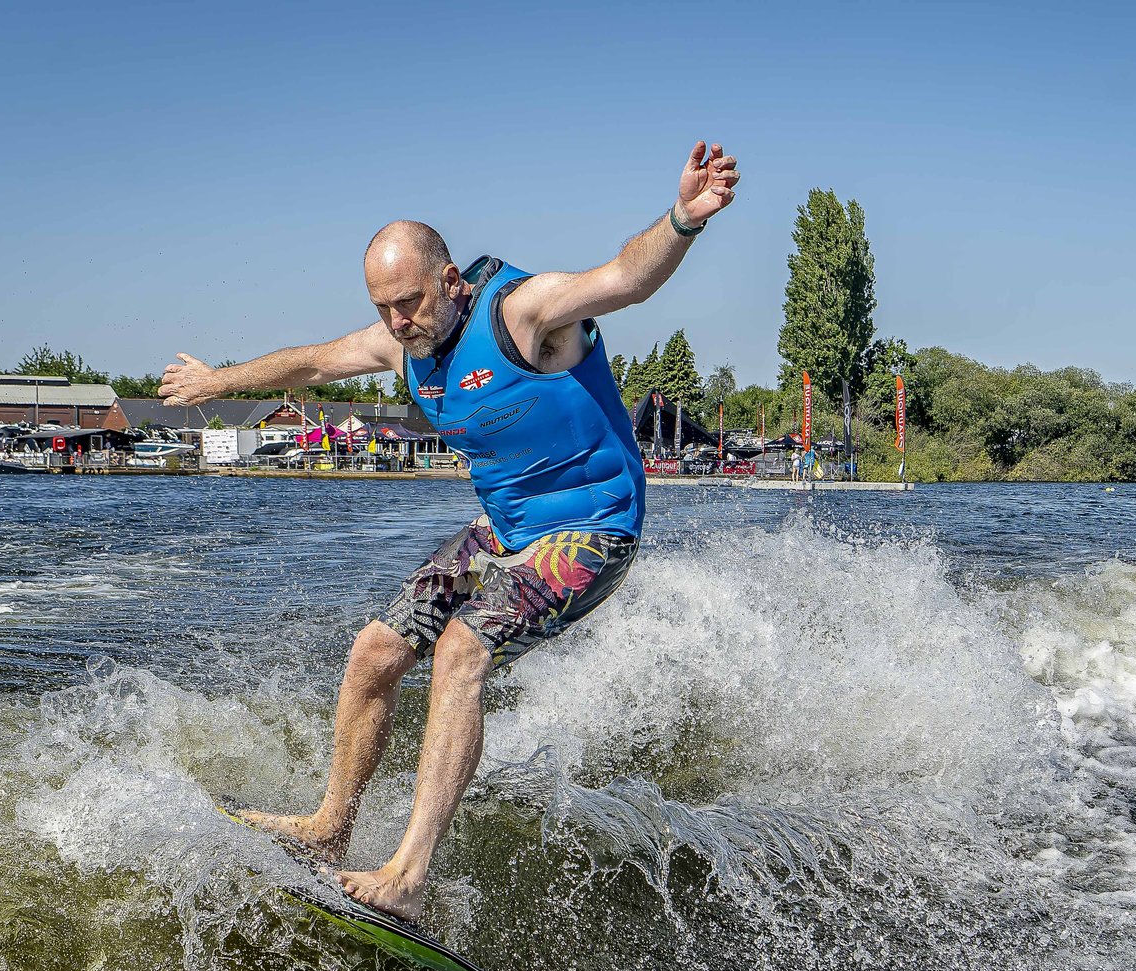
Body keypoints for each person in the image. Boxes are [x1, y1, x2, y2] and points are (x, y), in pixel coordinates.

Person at [160, 141, 740, 920]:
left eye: (409, 302)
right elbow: (311, 365)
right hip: (504, 530)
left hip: (594, 529)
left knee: (462, 649)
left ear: (451, 281)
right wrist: (216, 381)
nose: (397, 322)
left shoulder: (522, 313)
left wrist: (683, 219)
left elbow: (624, 278)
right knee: (374, 652)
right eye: (383, 308)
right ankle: (330, 827)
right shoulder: (401, 345)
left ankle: (408, 875)